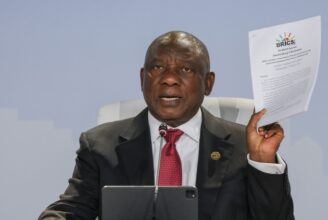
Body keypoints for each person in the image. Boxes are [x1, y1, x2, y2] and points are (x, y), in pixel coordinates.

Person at [39, 31, 294, 220]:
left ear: (208, 83)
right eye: (157, 67)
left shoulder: (244, 147)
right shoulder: (100, 145)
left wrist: (262, 161)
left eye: (185, 69)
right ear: (142, 78)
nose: (169, 79)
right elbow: (70, 212)